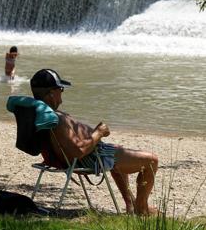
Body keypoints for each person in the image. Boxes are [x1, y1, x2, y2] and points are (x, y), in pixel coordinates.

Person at [30, 69, 158, 215]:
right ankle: (142, 209)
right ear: (51, 93)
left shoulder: (40, 113)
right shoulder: (56, 120)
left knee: (118, 151)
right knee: (151, 161)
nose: (62, 93)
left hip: (68, 157)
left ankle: (131, 204)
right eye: (61, 89)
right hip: (91, 158)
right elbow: (77, 151)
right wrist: (99, 132)